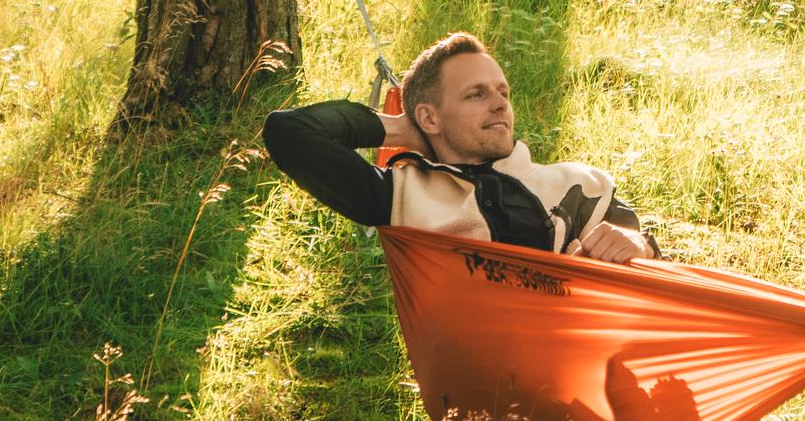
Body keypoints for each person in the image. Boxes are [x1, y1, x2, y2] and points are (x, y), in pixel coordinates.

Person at [264, 30, 661, 263]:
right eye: (476, 94)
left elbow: (651, 261)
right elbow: (289, 132)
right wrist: (403, 130)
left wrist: (640, 246)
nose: (500, 103)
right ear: (430, 117)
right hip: (478, 385)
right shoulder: (400, 196)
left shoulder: (576, 184)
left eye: (502, 91)